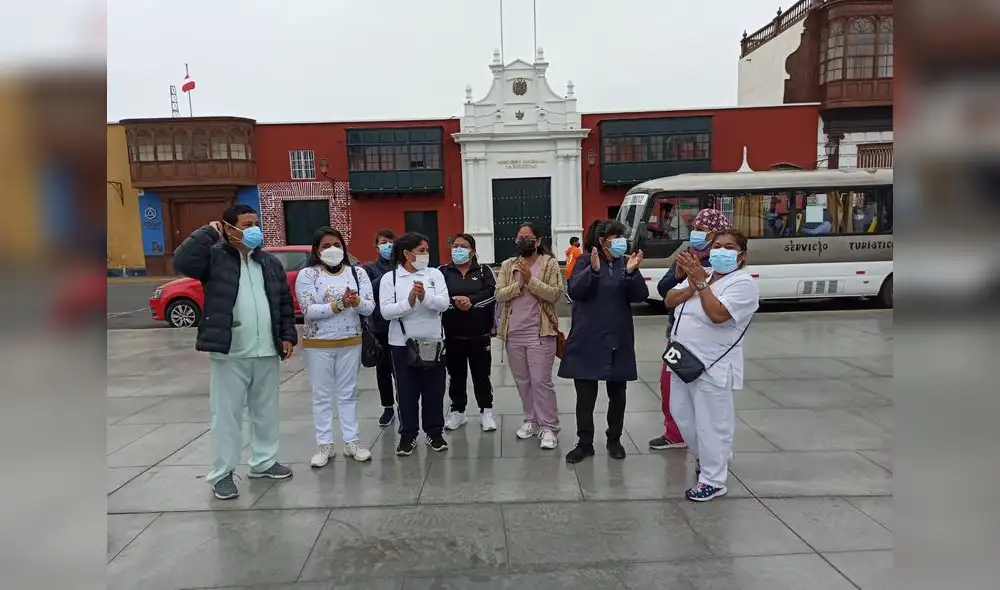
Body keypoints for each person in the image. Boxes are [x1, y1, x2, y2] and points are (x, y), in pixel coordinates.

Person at [172, 204, 297, 501]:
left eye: (256, 223)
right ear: (229, 228)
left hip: (266, 348)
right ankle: (222, 474)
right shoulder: (214, 259)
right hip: (231, 351)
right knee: (226, 415)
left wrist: (287, 335)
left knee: (265, 411)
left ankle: (264, 461)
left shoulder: (268, 262)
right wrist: (207, 231)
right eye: (246, 224)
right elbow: (183, 261)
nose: (254, 229)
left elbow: (283, 301)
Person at [665, 229, 759, 502]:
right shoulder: (702, 275)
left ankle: (713, 479)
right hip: (682, 362)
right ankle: (711, 457)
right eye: (717, 245)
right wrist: (695, 284)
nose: (721, 251)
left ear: (741, 255)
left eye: (729, 247)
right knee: (682, 416)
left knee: (711, 424)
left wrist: (701, 287)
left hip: (713, 366)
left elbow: (718, 315)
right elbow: (669, 299)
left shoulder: (743, 284)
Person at [560, 219, 649, 464]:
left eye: (621, 236)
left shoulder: (625, 262)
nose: (620, 242)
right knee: (585, 396)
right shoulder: (585, 261)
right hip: (588, 337)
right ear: (602, 241)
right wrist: (594, 271)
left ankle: (614, 439)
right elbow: (575, 291)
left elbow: (640, 295)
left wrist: (631, 273)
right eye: (614, 237)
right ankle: (585, 442)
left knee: (618, 394)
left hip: (617, 337)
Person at [649, 208, 733, 452]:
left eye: (702, 229)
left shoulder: (719, 263)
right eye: (694, 228)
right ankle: (675, 433)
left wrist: (696, 283)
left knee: (705, 397)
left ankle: (707, 447)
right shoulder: (687, 255)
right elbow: (664, 291)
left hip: (707, 341)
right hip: (677, 338)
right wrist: (677, 275)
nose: (696, 233)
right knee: (670, 388)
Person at [295, 227, 376, 467]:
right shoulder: (308, 275)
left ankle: (352, 441)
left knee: (348, 393)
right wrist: (339, 305)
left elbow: (370, 308)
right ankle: (325, 444)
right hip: (318, 343)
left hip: (351, 340)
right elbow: (308, 310)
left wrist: (356, 301)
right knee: (321, 395)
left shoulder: (357, 273)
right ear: (317, 250)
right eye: (326, 246)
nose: (333, 250)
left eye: (337, 245)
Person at [378, 232, 451, 456]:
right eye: (421, 251)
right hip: (402, 344)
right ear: (407, 254)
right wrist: (409, 302)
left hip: (433, 341)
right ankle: (407, 435)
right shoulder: (390, 279)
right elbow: (386, 311)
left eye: (427, 250)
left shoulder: (434, 275)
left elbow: (444, 303)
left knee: (434, 390)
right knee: (406, 391)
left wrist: (425, 298)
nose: (426, 254)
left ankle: (434, 432)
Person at [495, 223, 565, 450]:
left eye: (528, 237)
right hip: (514, 333)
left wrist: (531, 281)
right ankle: (531, 420)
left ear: (537, 241)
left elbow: (555, 295)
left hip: (540, 332)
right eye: (520, 238)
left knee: (541, 381)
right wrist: (519, 283)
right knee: (523, 380)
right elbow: (499, 295)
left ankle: (549, 426)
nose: (524, 241)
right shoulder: (508, 265)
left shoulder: (550, 264)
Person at [440, 234, 498, 432]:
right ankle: (458, 411)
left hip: (479, 334)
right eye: (455, 245)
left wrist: (470, 302)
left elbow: (492, 293)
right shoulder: (443, 271)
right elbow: (438, 296)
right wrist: (455, 304)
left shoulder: (483, 270)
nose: (458, 249)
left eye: (463, 246)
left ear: (472, 250)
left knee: (482, 374)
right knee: (455, 375)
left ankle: (486, 411)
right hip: (451, 334)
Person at [363, 228, 398, 427]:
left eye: (391, 242)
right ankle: (387, 407)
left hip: (401, 326)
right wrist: (388, 278)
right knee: (383, 370)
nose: (388, 246)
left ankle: (404, 404)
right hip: (380, 327)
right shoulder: (370, 269)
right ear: (377, 246)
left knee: (401, 370)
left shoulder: (404, 267)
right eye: (384, 242)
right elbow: (368, 292)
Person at [564, 236, 582, 303]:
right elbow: (581, 259)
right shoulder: (576, 250)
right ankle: (569, 295)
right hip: (573, 269)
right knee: (575, 284)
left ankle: (569, 297)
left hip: (568, 269)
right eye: (577, 242)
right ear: (574, 242)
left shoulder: (569, 250)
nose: (578, 243)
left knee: (570, 284)